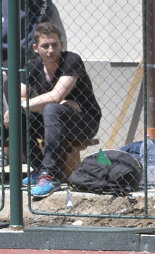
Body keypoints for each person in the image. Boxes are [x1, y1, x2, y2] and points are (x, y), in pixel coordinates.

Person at [2, 22, 101, 199]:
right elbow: (19, 97)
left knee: (52, 109)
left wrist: (44, 102)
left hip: (84, 121)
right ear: (35, 48)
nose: (50, 50)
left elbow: (55, 97)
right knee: (23, 115)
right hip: (53, 121)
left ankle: (51, 176)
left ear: (61, 45)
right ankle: (39, 170)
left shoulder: (71, 60)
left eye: (54, 45)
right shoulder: (33, 66)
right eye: (45, 46)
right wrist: (22, 106)